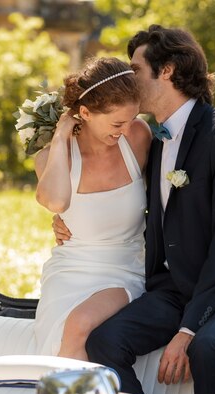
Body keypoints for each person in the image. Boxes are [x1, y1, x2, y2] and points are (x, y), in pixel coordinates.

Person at [53, 25, 215, 394]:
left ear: (167, 71)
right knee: (104, 342)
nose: (127, 79)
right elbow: (120, 198)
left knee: (207, 348)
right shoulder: (152, 139)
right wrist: (69, 218)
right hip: (175, 289)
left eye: (135, 70)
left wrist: (189, 329)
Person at [33, 57, 153, 360]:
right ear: (84, 113)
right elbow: (57, 203)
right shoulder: (52, 158)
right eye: (116, 123)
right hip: (70, 270)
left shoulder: (137, 138)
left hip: (125, 268)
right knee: (63, 336)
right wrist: (60, 138)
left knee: (79, 324)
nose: (125, 130)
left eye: (131, 119)